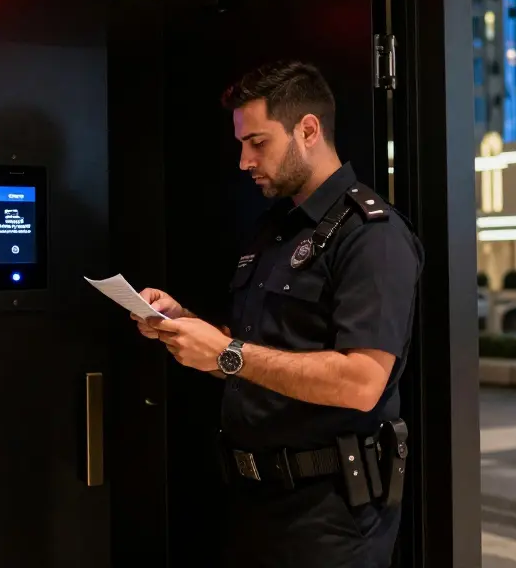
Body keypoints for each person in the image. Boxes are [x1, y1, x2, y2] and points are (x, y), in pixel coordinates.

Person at [133, 60, 423, 568]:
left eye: (258, 142)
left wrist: (225, 354)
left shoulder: (371, 236)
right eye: (242, 143)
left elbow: (361, 382)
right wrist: (189, 324)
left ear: (307, 129)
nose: (245, 160)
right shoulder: (277, 227)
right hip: (253, 500)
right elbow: (260, 342)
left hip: (330, 514)